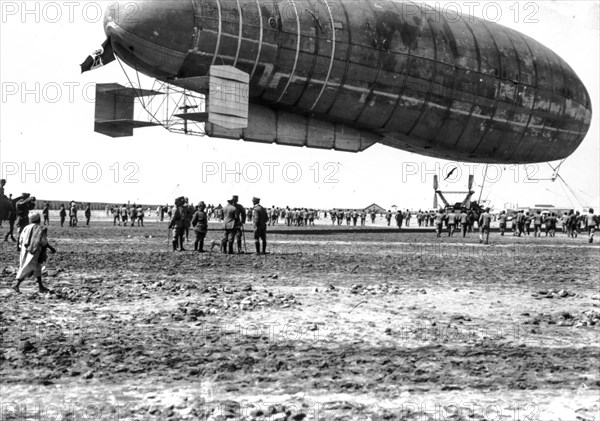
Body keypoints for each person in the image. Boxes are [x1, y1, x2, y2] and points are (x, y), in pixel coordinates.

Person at [13, 213, 56, 294]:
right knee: (28, 267)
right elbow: (43, 242)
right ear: (39, 219)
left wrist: (20, 247)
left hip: (24, 250)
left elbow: (21, 239)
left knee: (36, 267)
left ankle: (41, 287)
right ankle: (16, 285)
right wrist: (51, 248)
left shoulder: (26, 227)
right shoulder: (39, 229)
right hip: (34, 251)